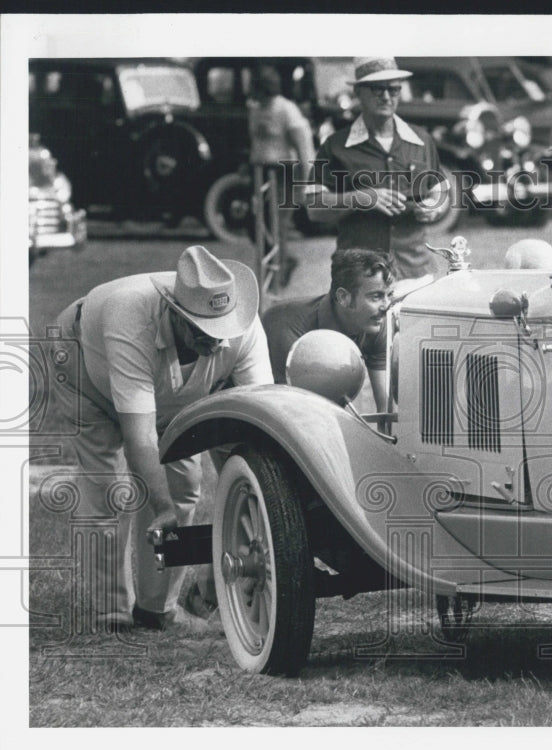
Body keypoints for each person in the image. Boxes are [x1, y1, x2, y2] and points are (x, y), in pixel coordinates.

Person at [51, 246, 273, 630]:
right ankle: (111, 611)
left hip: (169, 395)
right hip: (85, 370)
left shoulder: (246, 329)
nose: (218, 344)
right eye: (205, 332)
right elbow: (140, 437)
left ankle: (157, 609)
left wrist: (256, 500)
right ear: (177, 313)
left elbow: (262, 418)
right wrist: (160, 506)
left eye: (224, 331)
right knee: (109, 487)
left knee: (185, 486)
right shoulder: (130, 316)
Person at [306, 57, 451, 280]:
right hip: (359, 277)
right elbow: (314, 207)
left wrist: (435, 206)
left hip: (416, 272)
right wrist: (361, 198)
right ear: (358, 93)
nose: (386, 97)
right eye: (376, 89)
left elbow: (440, 190)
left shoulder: (422, 140)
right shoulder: (335, 146)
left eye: (393, 90)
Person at [262, 248, 395, 412]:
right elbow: (290, 415)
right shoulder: (287, 330)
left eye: (390, 295)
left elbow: (387, 409)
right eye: (376, 296)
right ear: (343, 298)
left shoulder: (374, 321)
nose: (386, 306)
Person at [247, 63, 317, 287]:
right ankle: (280, 263)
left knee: (276, 225)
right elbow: (257, 142)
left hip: (283, 172)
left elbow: (304, 146)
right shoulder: (256, 109)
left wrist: (309, 181)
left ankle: (279, 271)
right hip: (259, 171)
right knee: (254, 224)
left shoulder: (286, 109)